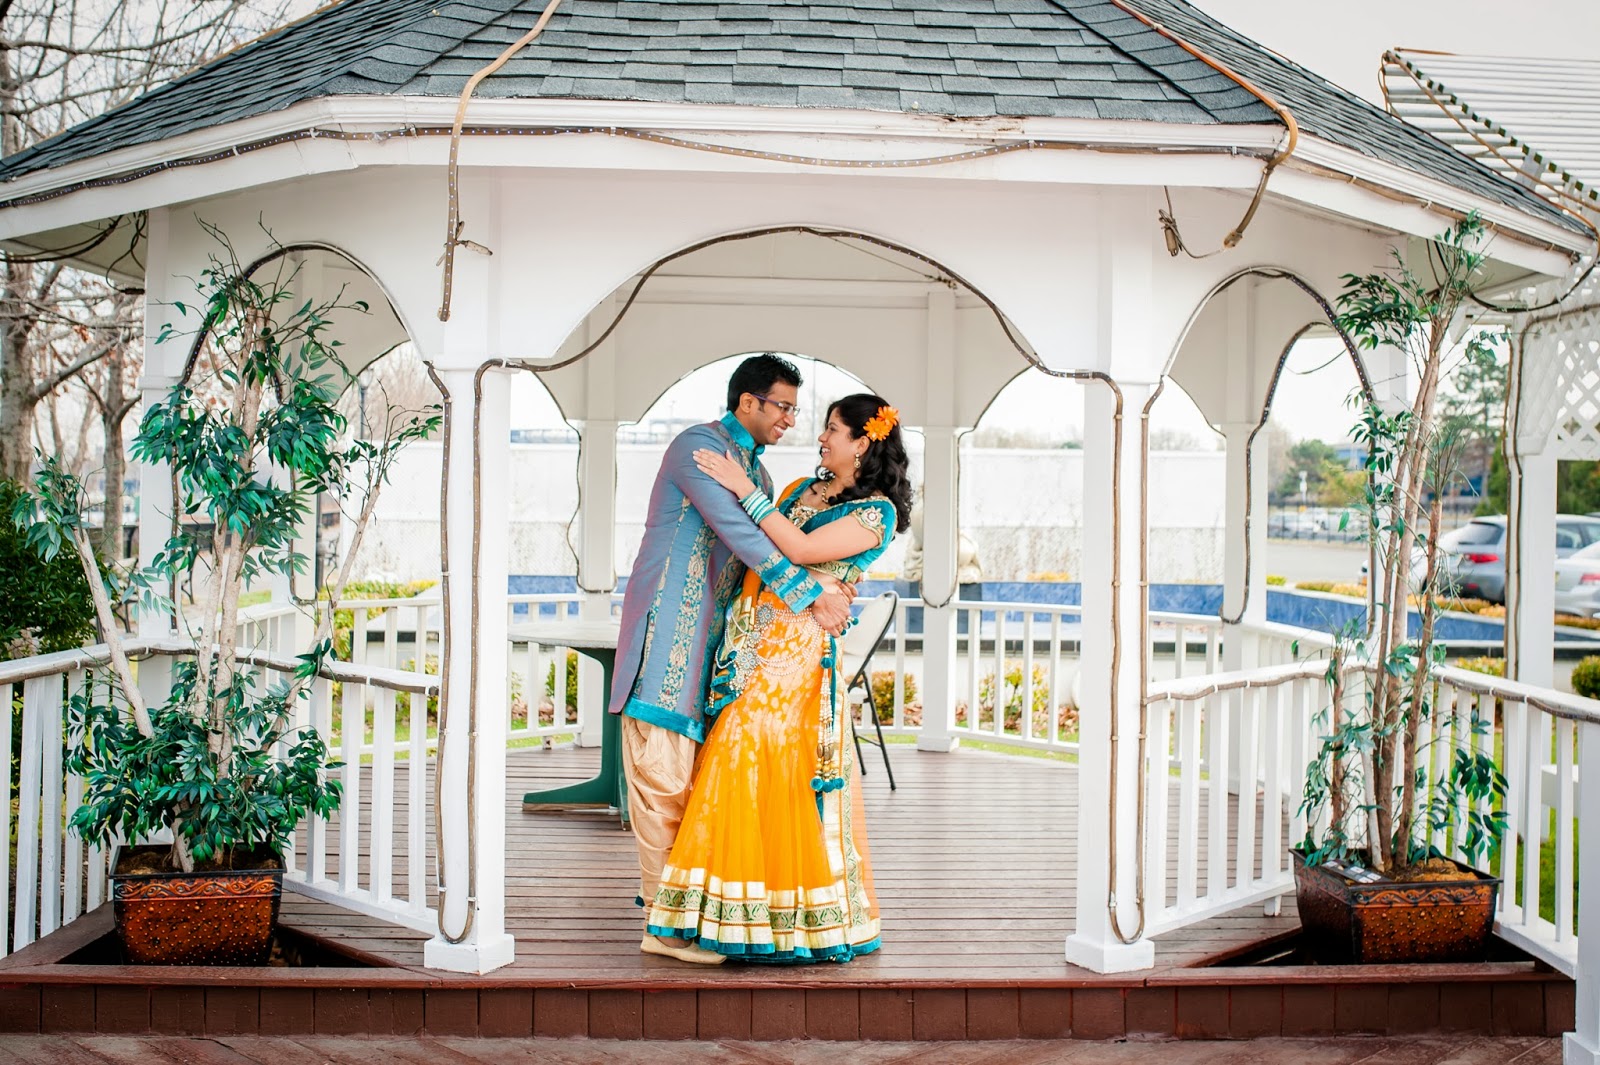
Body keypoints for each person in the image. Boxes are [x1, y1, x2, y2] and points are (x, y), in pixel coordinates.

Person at [645, 393, 913, 962]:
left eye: (834, 430)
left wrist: (745, 490)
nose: (822, 438)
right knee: (735, 753)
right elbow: (758, 546)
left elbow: (800, 546)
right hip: (754, 641)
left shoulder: (876, 515)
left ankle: (780, 920)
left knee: (763, 756)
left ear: (864, 443)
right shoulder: (798, 491)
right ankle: (724, 912)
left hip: (800, 654)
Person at [612, 354, 855, 966]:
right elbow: (740, 532)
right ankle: (661, 927)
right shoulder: (699, 448)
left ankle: (685, 915)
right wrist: (809, 593)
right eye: (783, 407)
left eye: (797, 410)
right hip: (668, 626)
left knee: (693, 782)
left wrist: (834, 582)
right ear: (748, 401)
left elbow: (760, 550)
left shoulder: (761, 478)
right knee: (658, 775)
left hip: (715, 641)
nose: (791, 421)